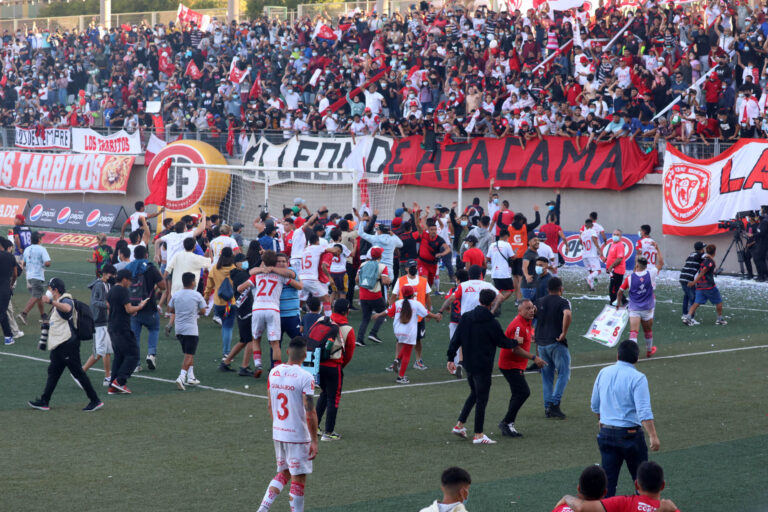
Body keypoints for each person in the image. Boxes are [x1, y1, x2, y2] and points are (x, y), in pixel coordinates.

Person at [447, 289, 541, 444]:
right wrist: (515, 342)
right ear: (492, 303)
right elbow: (502, 342)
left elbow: (456, 339)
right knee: (482, 398)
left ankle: (459, 425)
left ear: (479, 300)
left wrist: (451, 358)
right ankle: (478, 434)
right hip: (483, 365)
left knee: (474, 394)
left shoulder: (466, 317)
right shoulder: (492, 322)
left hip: (468, 364)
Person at [590, 340, 661, 497]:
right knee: (643, 483)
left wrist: (602, 419)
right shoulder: (638, 378)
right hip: (631, 435)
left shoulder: (603, 372)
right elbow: (644, 411)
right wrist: (653, 436)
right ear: (637, 358)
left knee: (607, 485)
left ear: (617, 355)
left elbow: (595, 404)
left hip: (607, 433)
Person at [257, 336, 318, 512]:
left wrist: (278, 427)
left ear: (287, 352)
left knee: (284, 472)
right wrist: (314, 440)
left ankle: (262, 509)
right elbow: (310, 411)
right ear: (305, 354)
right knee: (298, 479)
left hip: (279, 433)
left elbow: (270, 404)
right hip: (297, 436)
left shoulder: (274, 372)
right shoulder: (306, 377)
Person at [27, 278, 103, 412]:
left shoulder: (65, 300)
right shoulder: (58, 302)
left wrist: (51, 301)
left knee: (78, 373)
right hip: (59, 345)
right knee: (53, 373)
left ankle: (95, 400)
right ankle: (45, 401)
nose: (48, 290)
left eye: (50, 288)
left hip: (68, 344)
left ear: (55, 290)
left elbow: (67, 309)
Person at [240, 250, 303, 368]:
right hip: (276, 313)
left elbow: (298, 284)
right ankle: (274, 368)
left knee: (300, 341)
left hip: (291, 315)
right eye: (279, 261)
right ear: (274, 263)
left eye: (284, 261)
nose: (282, 263)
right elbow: (252, 271)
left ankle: (305, 368)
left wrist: (269, 269)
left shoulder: (290, 271)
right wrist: (264, 269)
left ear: (288, 262)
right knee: (274, 342)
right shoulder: (276, 275)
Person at [498, 299, 546, 437]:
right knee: (523, 392)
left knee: (518, 393)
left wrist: (532, 309)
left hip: (516, 364)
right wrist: (534, 358)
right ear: (520, 311)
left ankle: (508, 423)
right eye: (528, 309)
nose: (531, 311)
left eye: (532, 308)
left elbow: (531, 311)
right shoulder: (518, 325)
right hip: (510, 365)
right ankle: (507, 422)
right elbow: (515, 349)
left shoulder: (526, 320)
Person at [373, 285, 441, 384]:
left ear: (402, 294)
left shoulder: (397, 303)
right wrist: (437, 316)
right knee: (407, 353)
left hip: (398, 331)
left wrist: (378, 315)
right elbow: (427, 313)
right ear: (413, 294)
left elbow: (387, 312)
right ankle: (401, 377)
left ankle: (397, 360)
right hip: (409, 332)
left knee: (405, 346)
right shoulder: (416, 304)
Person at [558, 461, 678, 512]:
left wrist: (566, 498)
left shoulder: (623, 503)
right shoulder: (672, 510)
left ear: (636, 484)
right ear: (663, 485)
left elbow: (580, 507)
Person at [315, 298, 356, 441]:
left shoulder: (322, 319)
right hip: (334, 366)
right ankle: (329, 432)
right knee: (334, 398)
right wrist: (340, 366)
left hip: (317, 364)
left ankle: (314, 426)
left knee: (324, 394)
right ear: (347, 311)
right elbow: (349, 353)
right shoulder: (348, 329)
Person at [534, 277, 572, 420]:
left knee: (547, 376)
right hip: (556, 342)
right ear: (561, 288)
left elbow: (531, 315)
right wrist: (564, 332)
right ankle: (555, 404)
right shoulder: (563, 302)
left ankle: (547, 407)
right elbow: (567, 314)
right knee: (563, 373)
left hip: (542, 343)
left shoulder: (539, 301)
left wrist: (533, 334)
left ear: (548, 289)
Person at [107, 269, 150, 395]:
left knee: (119, 356)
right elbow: (129, 309)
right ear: (124, 279)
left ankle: (112, 386)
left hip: (112, 326)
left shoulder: (111, 290)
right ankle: (120, 381)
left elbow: (112, 307)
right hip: (122, 328)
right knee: (133, 355)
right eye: (130, 280)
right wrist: (140, 306)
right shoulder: (123, 290)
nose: (131, 282)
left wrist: (130, 311)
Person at [616, 249, 664, 358]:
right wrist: (657, 249)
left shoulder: (630, 278)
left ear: (637, 265)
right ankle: (649, 351)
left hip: (634, 309)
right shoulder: (651, 273)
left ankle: (631, 355)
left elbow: (619, 292)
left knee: (633, 332)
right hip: (647, 308)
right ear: (646, 265)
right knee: (647, 330)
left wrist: (618, 303)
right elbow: (661, 263)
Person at [126, 245, 165, 371]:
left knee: (135, 336)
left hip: (133, 307)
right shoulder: (150, 268)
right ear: (146, 255)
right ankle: (151, 354)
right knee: (154, 328)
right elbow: (163, 286)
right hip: (149, 306)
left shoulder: (129, 267)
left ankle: (136, 363)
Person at [389, 259, 432, 369]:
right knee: (400, 340)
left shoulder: (423, 280)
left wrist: (429, 311)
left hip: (418, 317)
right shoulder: (401, 280)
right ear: (406, 268)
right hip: (405, 316)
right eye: (411, 267)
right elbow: (393, 296)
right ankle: (396, 361)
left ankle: (418, 360)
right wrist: (392, 310)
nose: (414, 269)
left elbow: (427, 296)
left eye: (415, 266)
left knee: (418, 339)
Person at [168, 272, 207, 390]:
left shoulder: (176, 295)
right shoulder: (197, 295)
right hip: (191, 329)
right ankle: (181, 377)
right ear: (192, 282)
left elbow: (170, 309)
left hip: (179, 329)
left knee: (189, 353)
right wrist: (196, 312)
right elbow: (204, 311)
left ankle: (191, 377)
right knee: (189, 355)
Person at [82, 264, 115, 387]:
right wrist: (107, 305)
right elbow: (94, 302)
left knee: (107, 351)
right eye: (112, 274)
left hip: (104, 321)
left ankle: (107, 376)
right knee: (99, 352)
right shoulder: (99, 285)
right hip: (98, 322)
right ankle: (80, 372)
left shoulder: (107, 284)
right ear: (106, 274)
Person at [204, 246, 238, 358]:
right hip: (231, 302)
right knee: (228, 327)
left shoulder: (215, 268)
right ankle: (226, 352)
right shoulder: (235, 268)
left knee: (224, 326)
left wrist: (206, 298)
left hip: (219, 303)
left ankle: (225, 351)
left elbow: (209, 286)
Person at [355, 247, 391, 347]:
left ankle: (359, 339)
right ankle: (373, 333)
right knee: (384, 312)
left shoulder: (363, 264)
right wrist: (389, 281)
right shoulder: (382, 266)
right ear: (380, 255)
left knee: (365, 318)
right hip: (375, 295)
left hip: (363, 295)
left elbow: (357, 279)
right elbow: (384, 281)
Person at [683, 244, 727, 325]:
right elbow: (703, 271)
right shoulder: (709, 261)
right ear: (715, 252)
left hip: (700, 287)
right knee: (719, 302)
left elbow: (707, 270)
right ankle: (720, 319)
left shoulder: (704, 260)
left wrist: (714, 271)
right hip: (709, 287)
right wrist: (693, 282)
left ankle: (688, 317)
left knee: (696, 303)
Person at [18, 231, 51, 326]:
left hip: (29, 276)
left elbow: (23, 263)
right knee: (37, 295)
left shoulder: (27, 249)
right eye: (41, 238)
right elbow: (47, 263)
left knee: (39, 296)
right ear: (39, 240)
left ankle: (43, 315)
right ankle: (24, 313)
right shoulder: (42, 249)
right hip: (37, 276)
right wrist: (44, 264)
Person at [678, 241, 705, 325]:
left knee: (687, 296)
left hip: (682, 277)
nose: (704, 250)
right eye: (703, 248)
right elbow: (705, 260)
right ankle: (691, 317)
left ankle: (685, 314)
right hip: (688, 279)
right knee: (693, 298)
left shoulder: (692, 254)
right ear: (701, 249)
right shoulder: (700, 256)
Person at [488, 229, 516, 309]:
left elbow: (488, 258)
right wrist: (516, 255)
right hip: (504, 272)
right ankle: (496, 303)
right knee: (510, 290)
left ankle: (495, 303)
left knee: (498, 290)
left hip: (495, 272)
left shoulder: (492, 245)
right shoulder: (507, 245)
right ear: (506, 236)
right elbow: (512, 257)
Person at [0, 237, 19, 345]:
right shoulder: (10, 256)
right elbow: (15, 274)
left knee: (2, 313)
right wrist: (11, 285)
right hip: (5, 290)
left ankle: (8, 336)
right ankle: (8, 337)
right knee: (3, 313)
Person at [603, 229, 627, 306]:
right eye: (614, 234)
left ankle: (615, 303)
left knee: (613, 289)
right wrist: (607, 259)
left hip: (617, 270)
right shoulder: (613, 244)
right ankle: (621, 302)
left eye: (617, 235)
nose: (615, 236)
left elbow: (619, 259)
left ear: (621, 236)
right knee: (615, 288)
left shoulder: (620, 245)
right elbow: (613, 256)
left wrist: (611, 266)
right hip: (613, 270)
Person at [580, 219, 602, 291]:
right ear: (592, 225)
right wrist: (599, 249)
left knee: (591, 271)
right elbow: (594, 240)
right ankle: (589, 278)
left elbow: (580, 241)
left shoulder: (582, 233)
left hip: (584, 254)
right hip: (592, 254)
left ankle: (592, 286)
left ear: (585, 225)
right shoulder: (593, 231)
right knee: (598, 271)